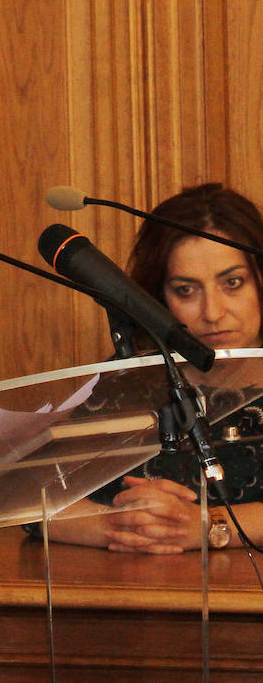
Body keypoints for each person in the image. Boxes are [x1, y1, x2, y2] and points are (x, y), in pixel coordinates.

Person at [33, 183, 263, 554]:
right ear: (157, 297)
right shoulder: (133, 378)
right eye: (186, 290)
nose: (213, 312)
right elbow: (30, 499)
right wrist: (116, 527)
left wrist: (208, 527)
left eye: (232, 283)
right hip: (132, 592)